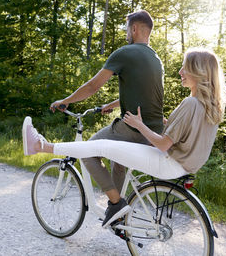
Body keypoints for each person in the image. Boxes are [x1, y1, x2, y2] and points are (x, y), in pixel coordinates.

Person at [23, 48, 226, 228]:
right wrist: (166, 123)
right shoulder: (210, 106)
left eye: (185, 68)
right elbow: (187, 136)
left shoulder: (190, 103)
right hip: (182, 167)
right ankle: (117, 208)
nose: (180, 72)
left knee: (100, 146)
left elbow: (165, 144)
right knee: (111, 152)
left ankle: (40, 145)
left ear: (198, 72)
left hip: (166, 161)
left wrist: (139, 125)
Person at [49, 10, 164, 209]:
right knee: (118, 163)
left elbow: (93, 86)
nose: (126, 33)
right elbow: (141, 95)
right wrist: (109, 106)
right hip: (153, 132)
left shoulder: (125, 53)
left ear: (134, 29)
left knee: (87, 152)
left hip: (133, 129)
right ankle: (115, 214)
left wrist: (65, 100)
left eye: (127, 29)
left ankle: (116, 202)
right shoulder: (155, 58)